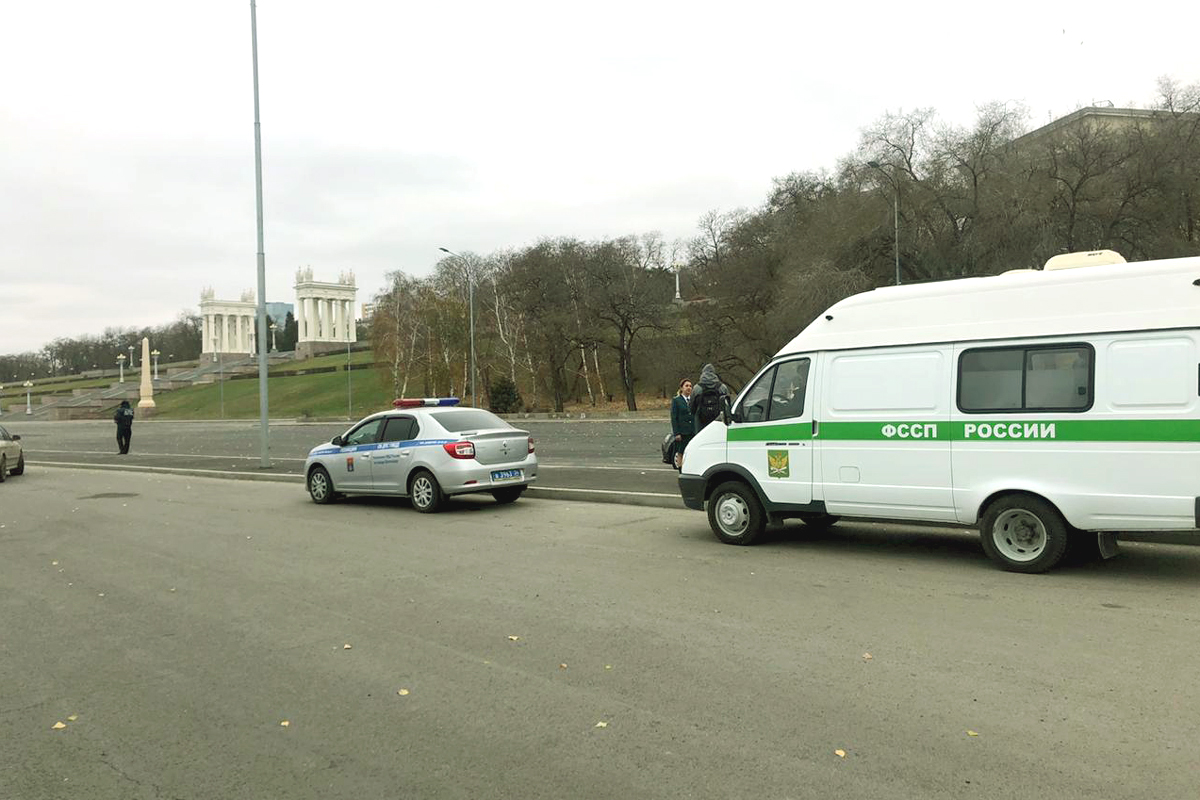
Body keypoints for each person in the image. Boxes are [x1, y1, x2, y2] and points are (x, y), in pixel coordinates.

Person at [689, 363, 730, 433]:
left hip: (701, 423)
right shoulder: (722, 387)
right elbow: (728, 405)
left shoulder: (697, 388)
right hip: (718, 421)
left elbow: (691, 407)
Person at [669, 378, 695, 470]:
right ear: (681, 388)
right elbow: (674, 418)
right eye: (686, 386)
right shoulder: (677, 400)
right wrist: (677, 433)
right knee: (681, 452)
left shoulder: (693, 400)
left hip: (693, 431)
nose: (689, 388)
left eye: (690, 386)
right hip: (682, 432)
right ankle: (681, 469)